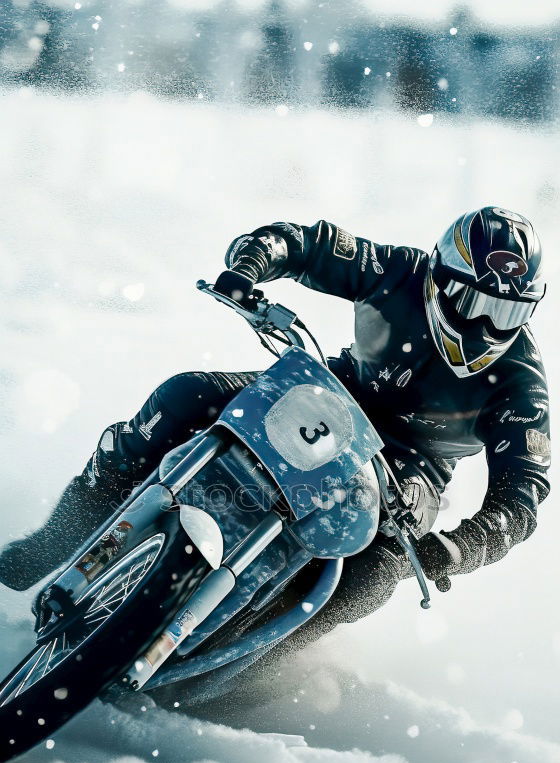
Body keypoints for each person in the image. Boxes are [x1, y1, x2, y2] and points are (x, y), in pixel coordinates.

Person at [0, 207, 550, 644]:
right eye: (473, 302)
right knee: (186, 395)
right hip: (326, 390)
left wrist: (463, 548)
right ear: (438, 276)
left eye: (506, 313)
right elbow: (308, 243)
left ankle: (261, 666)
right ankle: (60, 538)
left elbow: (523, 498)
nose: (484, 325)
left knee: (380, 569)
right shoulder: (398, 271)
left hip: (413, 470)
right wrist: (252, 265)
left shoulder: (522, 386)